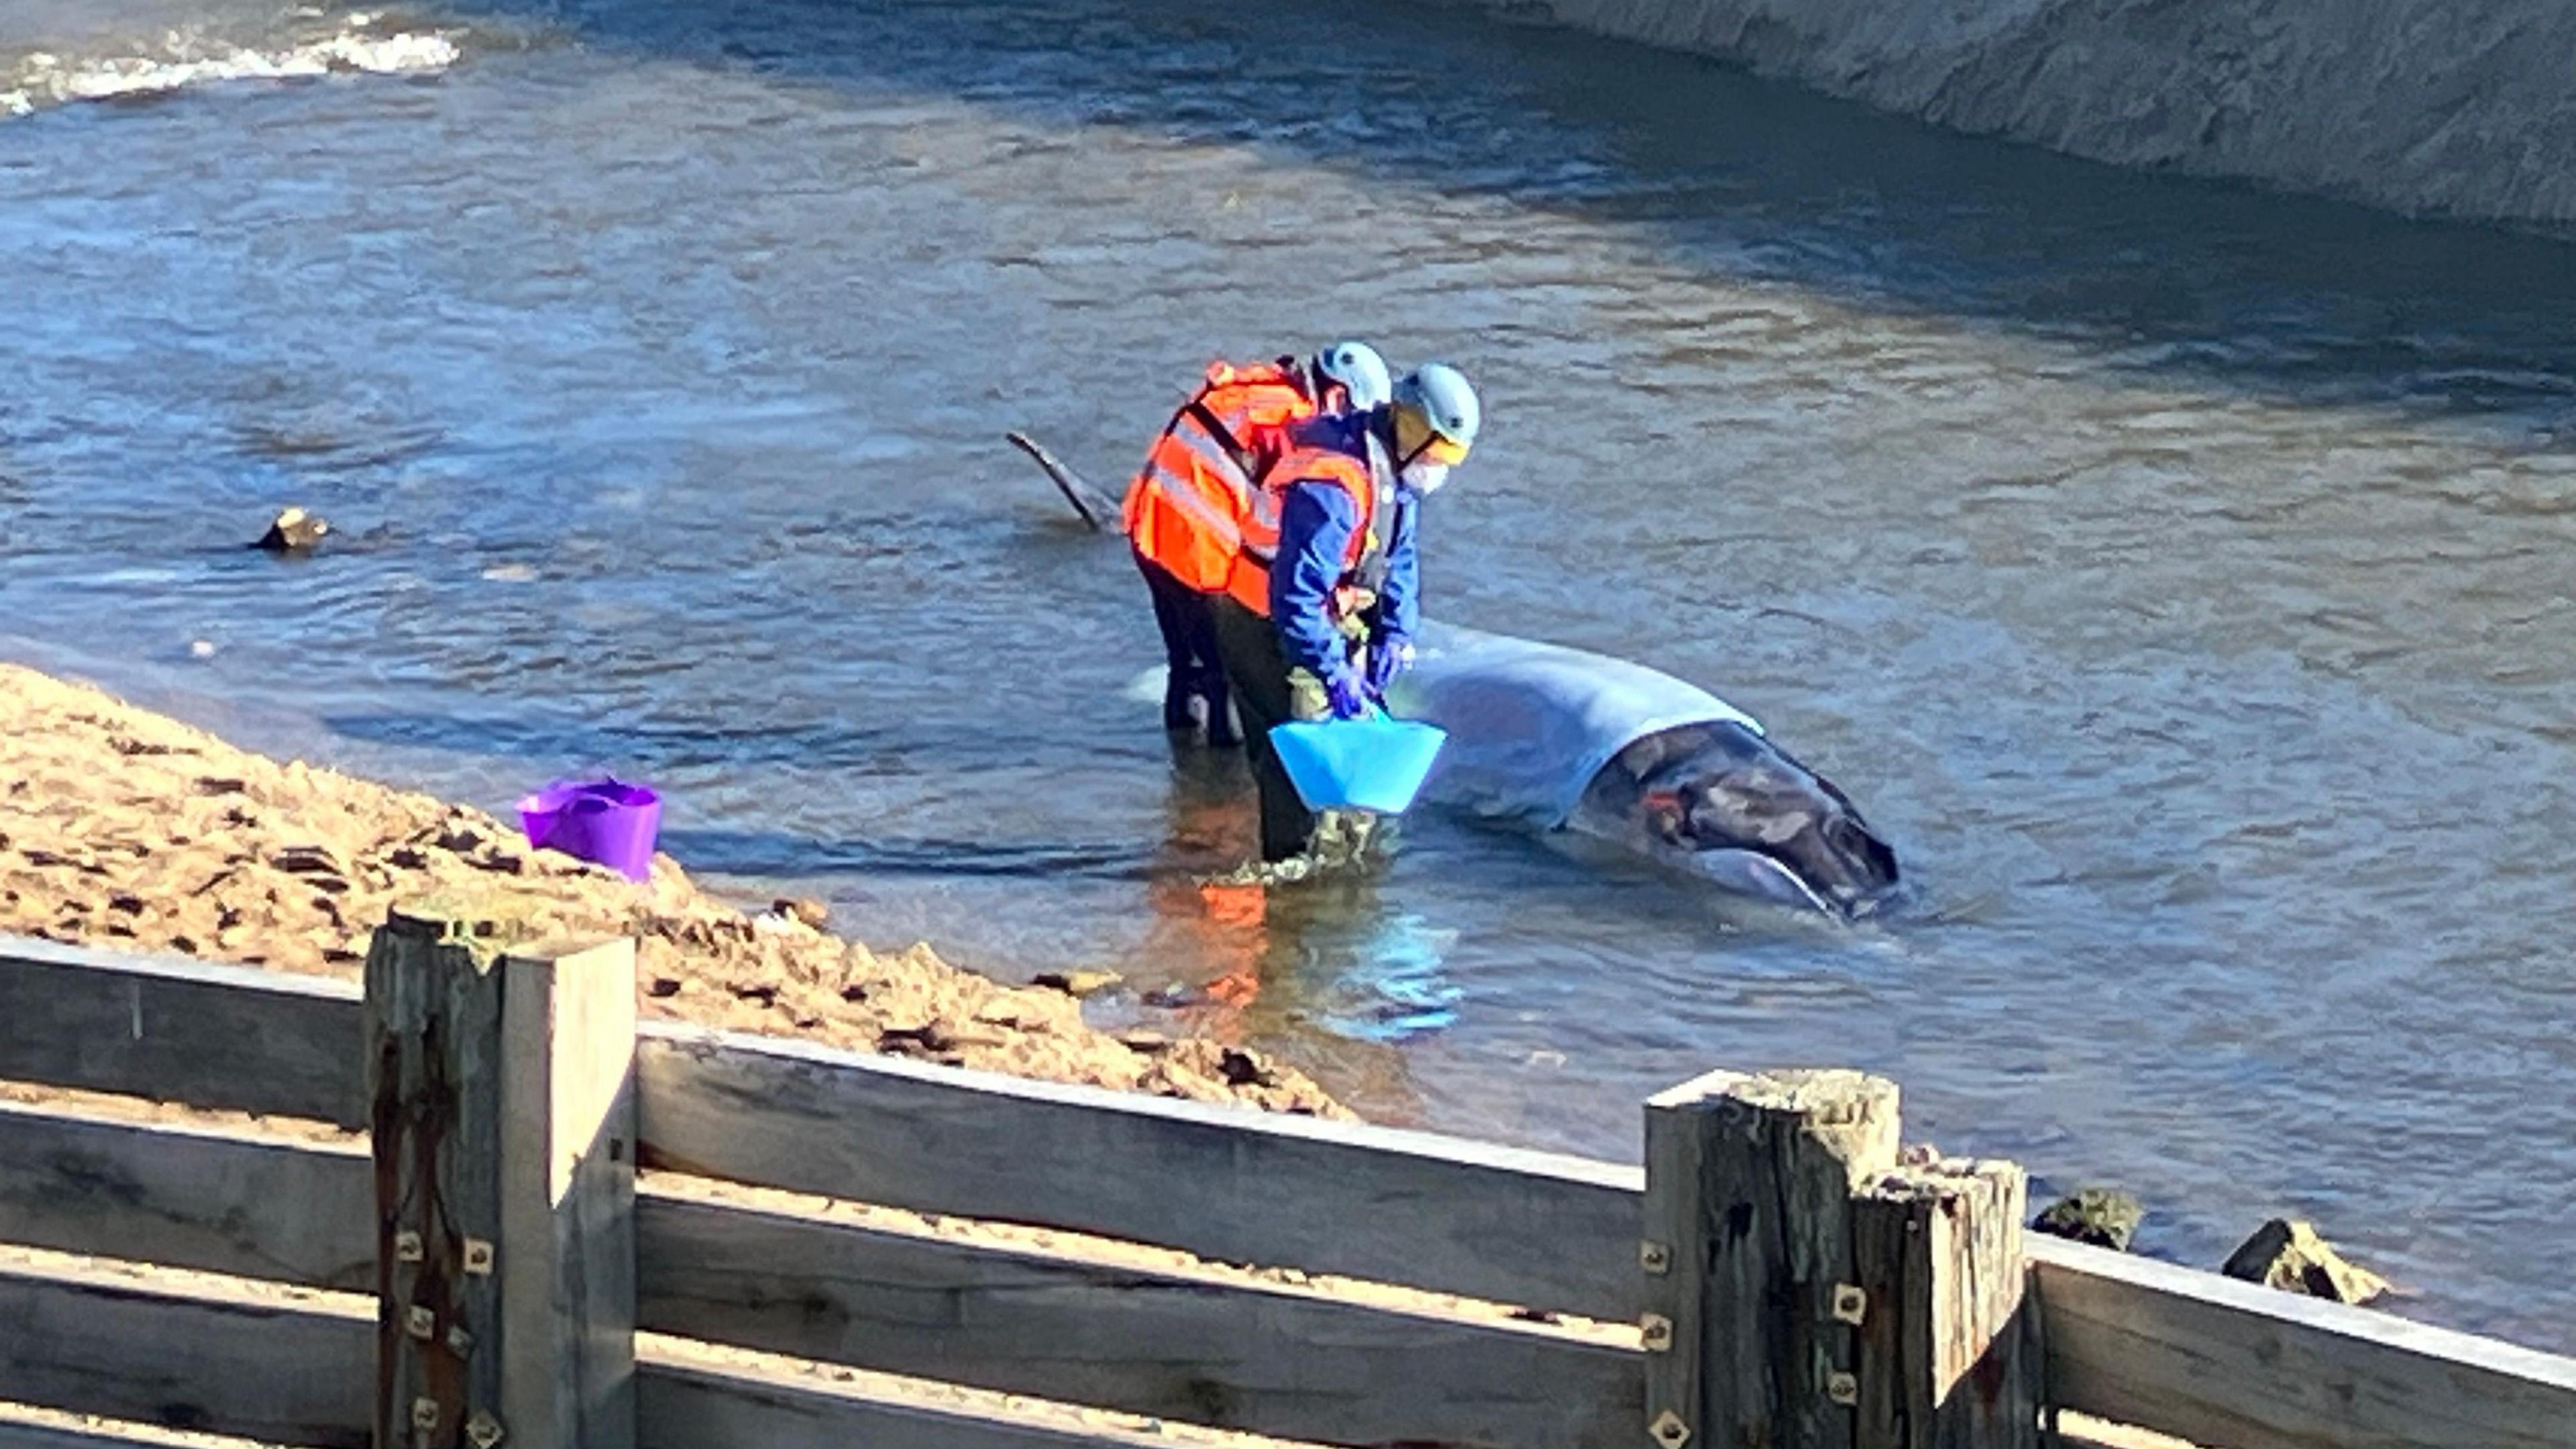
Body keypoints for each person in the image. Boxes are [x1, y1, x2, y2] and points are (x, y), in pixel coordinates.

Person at [1208, 362, 1479, 863]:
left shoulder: (1397, 473)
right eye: (1439, 453)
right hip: (1258, 620)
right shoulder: (1332, 486)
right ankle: (1293, 881)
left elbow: (1399, 556)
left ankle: (1349, 864)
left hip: (1320, 614)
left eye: (1451, 459)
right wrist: (1334, 672)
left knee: (1356, 765)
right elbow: (1296, 600)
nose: (1440, 469)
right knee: (1294, 759)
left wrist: (1396, 633)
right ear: (1411, 429)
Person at [1122, 343, 1392, 746]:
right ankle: (1225, 794)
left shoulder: (1261, 389)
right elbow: (1290, 521)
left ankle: (1186, 782)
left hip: (1151, 528)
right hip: (1199, 549)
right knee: (1229, 677)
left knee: (1185, 665)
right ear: (1339, 395)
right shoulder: (1294, 423)